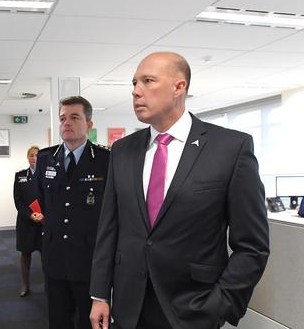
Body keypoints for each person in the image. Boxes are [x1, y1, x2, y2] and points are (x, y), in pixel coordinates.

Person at [89, 52, 270, 329]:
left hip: (193, 307)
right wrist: (100, 294)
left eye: (148, 81)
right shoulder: (123, 150)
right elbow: (108, 228)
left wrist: (222, 304)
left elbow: (252, 246)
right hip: (129, 306)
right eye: (134, 83)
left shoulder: (230, 148)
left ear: (179, 87)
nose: (136, 91)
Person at [33, 96, 110, 329]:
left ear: (89, 124)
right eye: (62, 118)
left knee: (92, 322)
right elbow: (37, 199)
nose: (66, 123)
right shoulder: (46, 158)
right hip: (54, 258)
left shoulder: (105, 160)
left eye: (74, 117)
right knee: (58, 321)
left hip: (88, 259)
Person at [13, 146, 42, 297]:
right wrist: (31, 215)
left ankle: (51, 285)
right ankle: (25, 284)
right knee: (25, 255)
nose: (34, 158)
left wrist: (44, 216)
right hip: (26, 222)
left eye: (37, 155)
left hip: (44, 222)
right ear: (27, 157)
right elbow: (18, 201)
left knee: (48, 255)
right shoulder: (20, 176)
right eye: (31, 155)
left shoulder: (47, 175)